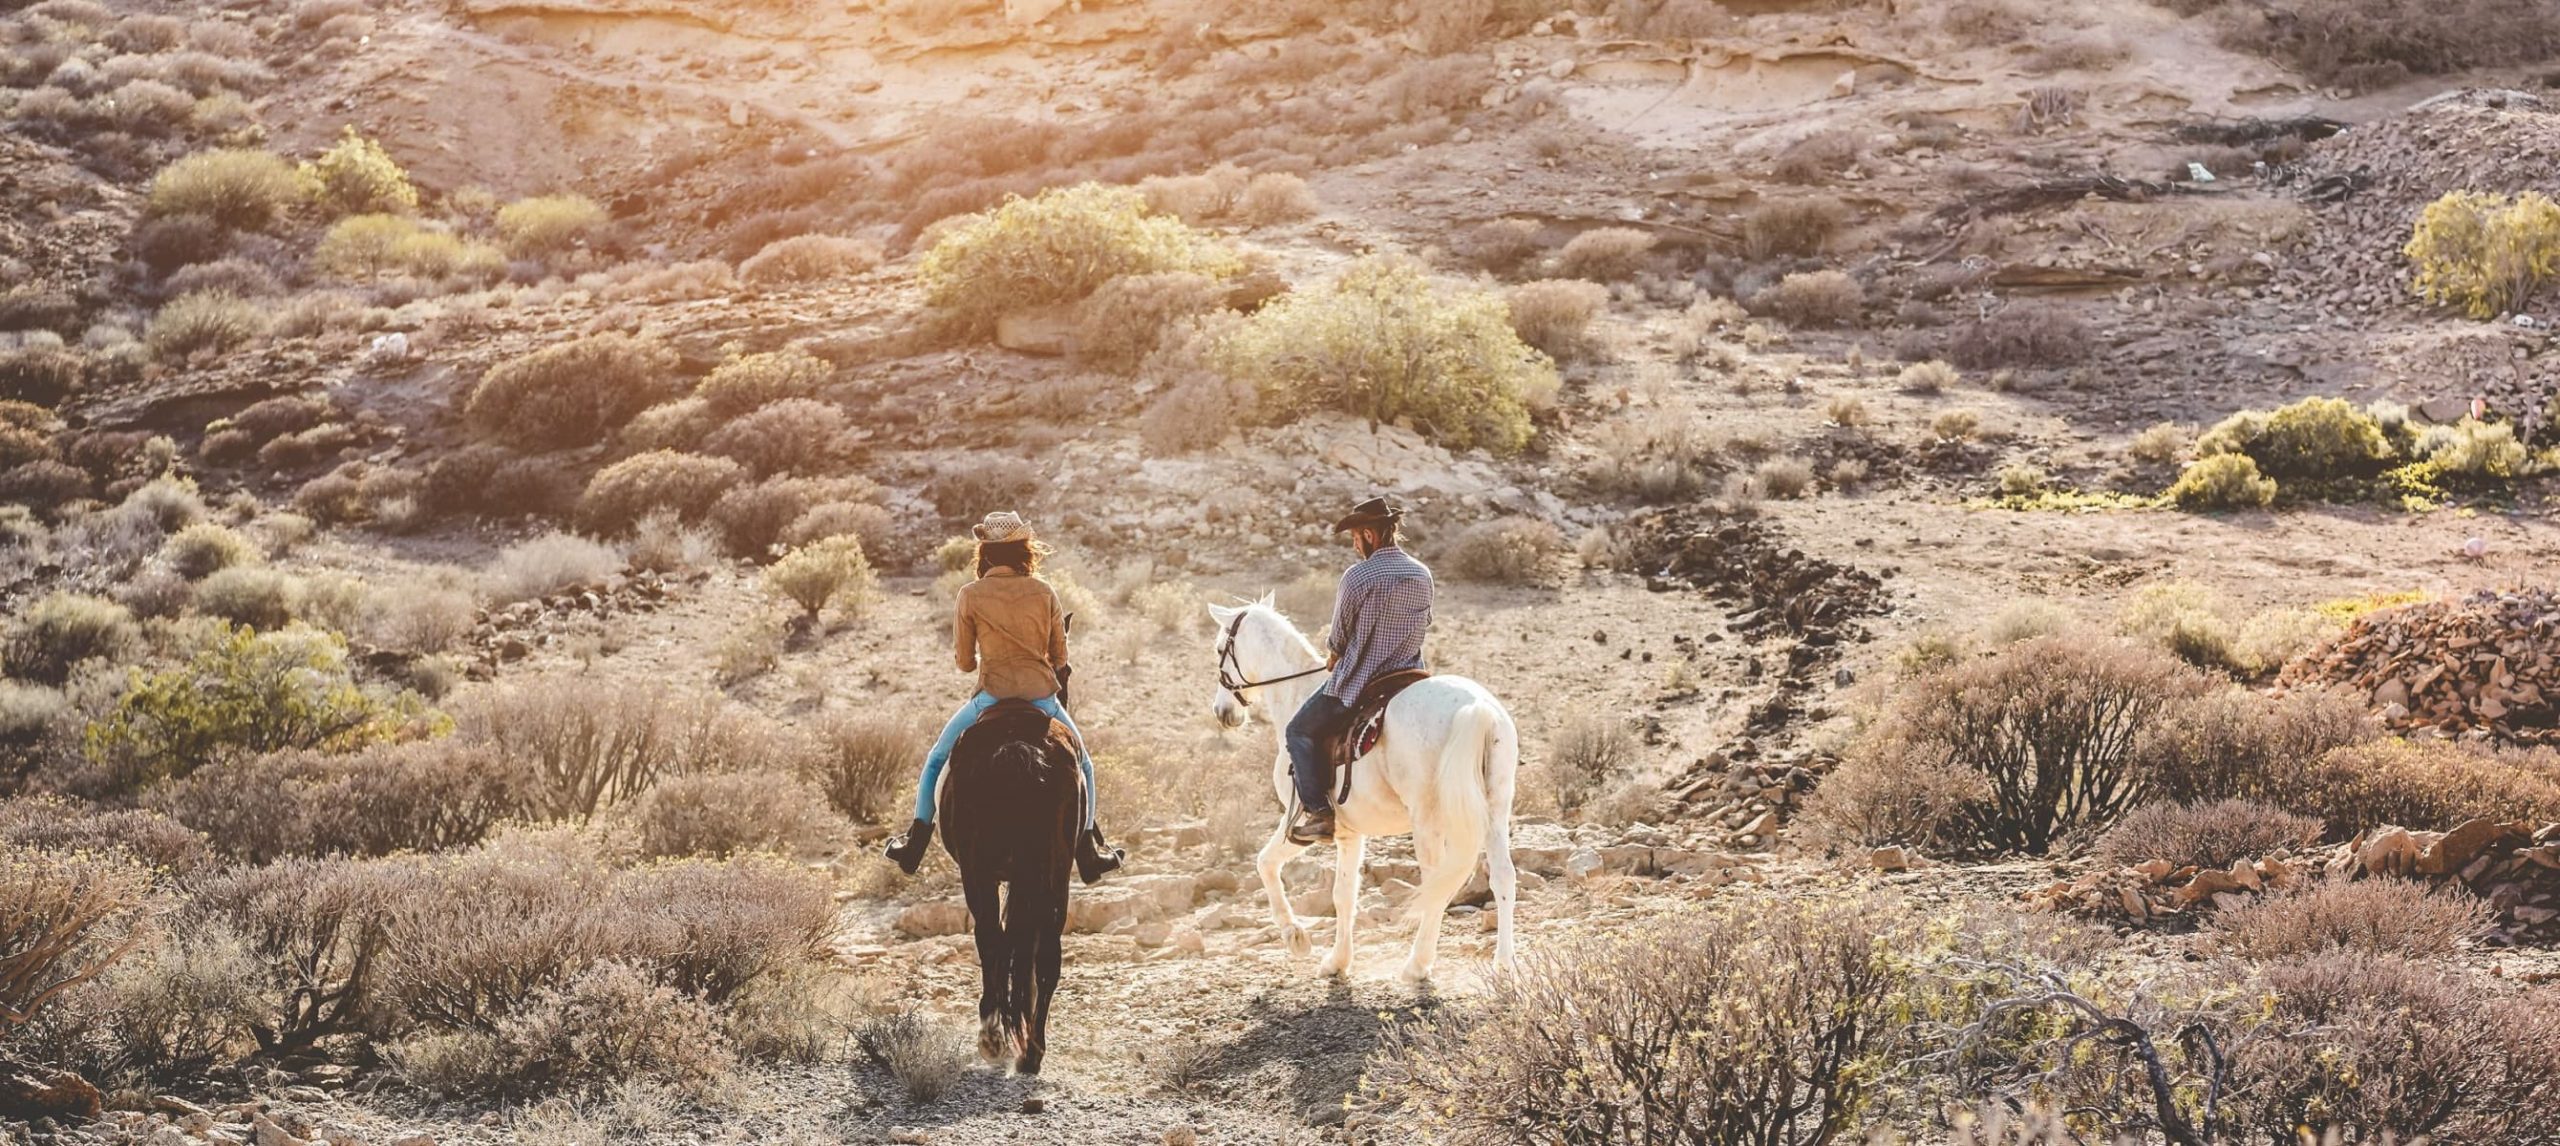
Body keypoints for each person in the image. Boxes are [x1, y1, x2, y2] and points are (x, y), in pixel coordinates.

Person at [882, 511, 1124, 884]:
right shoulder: (1044, 591)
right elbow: (1060, 657)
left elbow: (964, 663)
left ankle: (913, 844)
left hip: (990, 697)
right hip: (1042, 698)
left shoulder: (969, 594)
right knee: (1085, 764)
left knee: (935, 760)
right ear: (1024, 550)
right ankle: (1090, 852)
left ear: (986, 552)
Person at [1284, 496, 1434, 845]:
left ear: (1369, 534)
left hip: (1360, 682)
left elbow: (1339, 637)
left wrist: (1334, 656)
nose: (1354, 545)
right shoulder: (1422, 573)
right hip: (1410, 677)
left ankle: (1319, 813)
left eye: (1355, 537)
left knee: (1298, 732)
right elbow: (1425, 622)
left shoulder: (1358, 576)